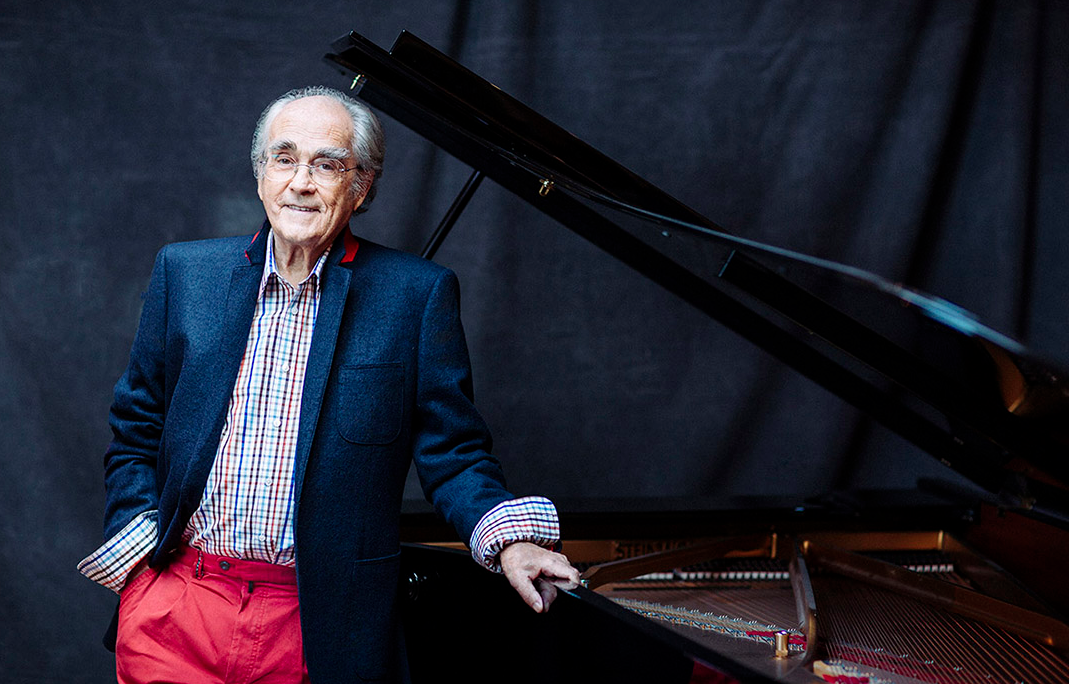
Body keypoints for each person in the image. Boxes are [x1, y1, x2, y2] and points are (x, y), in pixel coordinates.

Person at [78, 85, 580, 683]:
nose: (301, 182)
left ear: (361, 186)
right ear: (261, 174)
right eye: (284, 159)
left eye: (327, 165)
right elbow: (137, 426)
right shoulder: (186, 274)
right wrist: (140, 559)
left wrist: (510, 541)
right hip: (178, 606)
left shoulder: (415, 296)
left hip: (319, 623)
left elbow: (454, 454)